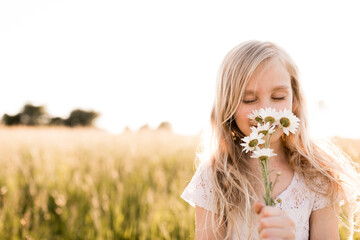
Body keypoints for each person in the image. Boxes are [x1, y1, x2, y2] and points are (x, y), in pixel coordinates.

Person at [181, 40, 360, 239]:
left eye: (278, 97)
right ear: (227, 105)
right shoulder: (215, 177)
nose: (266, 113)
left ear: (295, 101)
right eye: (249, 99)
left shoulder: (319, 177)